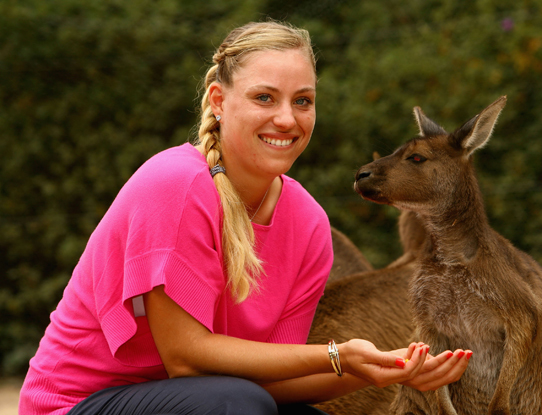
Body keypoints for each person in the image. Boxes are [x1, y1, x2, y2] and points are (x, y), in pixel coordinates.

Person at [19, 20, 471, 415]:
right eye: (264, 97)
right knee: (239, 405)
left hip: (206, 400)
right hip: (81, 404)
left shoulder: (309, 224)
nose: (286, 119)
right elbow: (187, 359)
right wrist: (337, 353)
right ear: (218, 100)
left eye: (303, 101)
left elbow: (276, 383)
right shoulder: (173, 185)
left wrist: (379, 372)